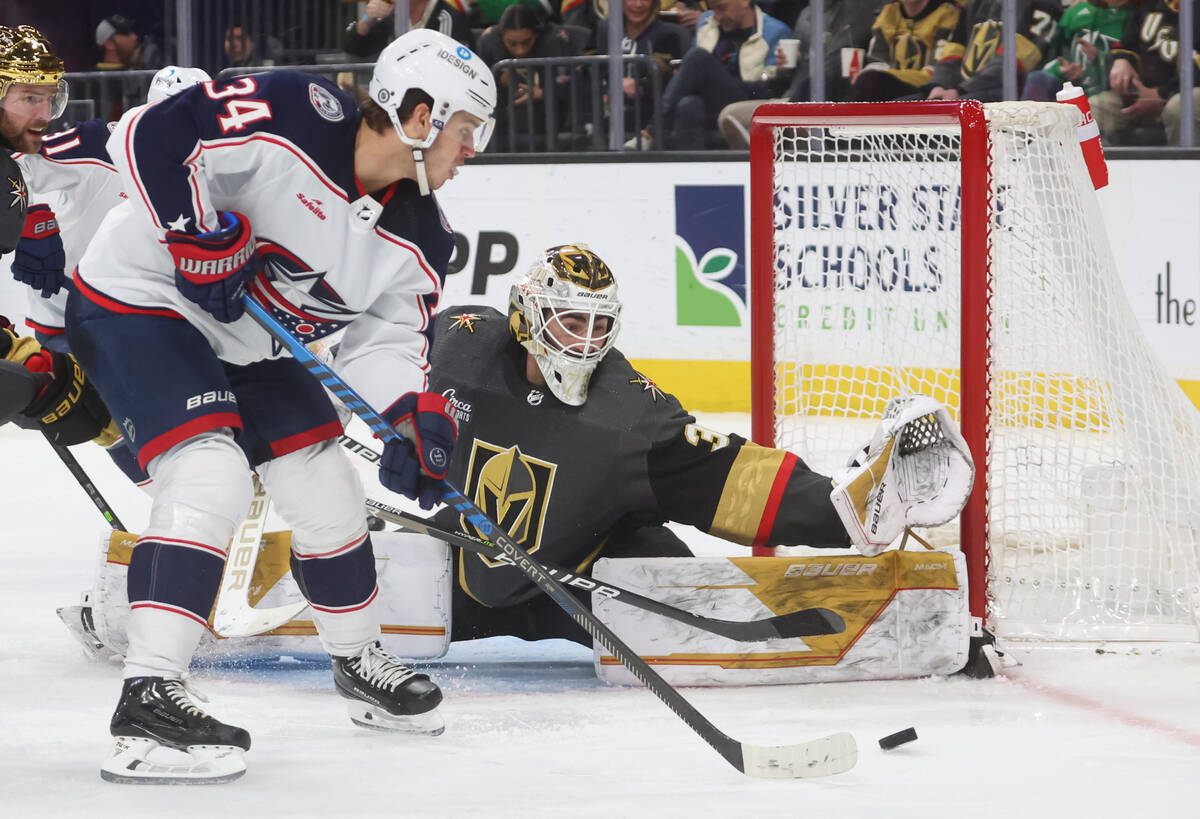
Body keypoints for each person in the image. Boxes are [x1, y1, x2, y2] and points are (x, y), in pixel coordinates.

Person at [64, 28, 496, 784]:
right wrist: (190, 232)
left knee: (328, 485)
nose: (472, 152)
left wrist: (407, 416)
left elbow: (387, 336)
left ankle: (359, 660)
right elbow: (151, 134)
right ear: (422, 116)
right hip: (140, 299)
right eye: (468, 132)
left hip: (246, 340)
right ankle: (148, 696)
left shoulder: (423, 233)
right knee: (209, 474)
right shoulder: (292, 110)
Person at [715, 0, 878, 149]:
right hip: (792, 99)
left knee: (804, 123)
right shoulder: (806, 15)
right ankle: (756, 168)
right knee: (729, 116)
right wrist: (784, 68)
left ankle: (790, 157)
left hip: (834, 103)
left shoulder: (860, 8)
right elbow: (789, 76)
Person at [640, 0, 789, 150]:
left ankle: (650, 132)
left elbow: (769, 87)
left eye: (722, 8)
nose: (716, 16)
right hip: (712, 102)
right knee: (689, 104)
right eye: (713, 9)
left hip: (749, 101)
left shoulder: (776, 32)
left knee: (699, 57)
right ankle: (690, 168)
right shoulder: (706, 24)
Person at [1089, 0, 1200, 146]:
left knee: (1180, 108)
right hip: (1145, 95)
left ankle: (1185, 168)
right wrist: (1122, 60)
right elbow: (1127, 44)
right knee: (1093, 108)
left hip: (1185, 92)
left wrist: (1162, 94)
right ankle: (1103, 169)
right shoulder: (1152, 5)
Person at [476, 5, 580, 150]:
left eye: (527, 42)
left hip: (549, 119)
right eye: (512, 43)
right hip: (502, 122)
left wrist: (544, 93)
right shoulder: (489, 42)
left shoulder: (555, 39)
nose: (520, 50)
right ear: (501, 36)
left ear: (536, 35)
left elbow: (575, 86)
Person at [925, 0, 1060, 102]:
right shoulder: (973, 4)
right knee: (911, 103)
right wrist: (938, 86)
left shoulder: (1043, 3)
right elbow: (951, 56)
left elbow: (1011, 63)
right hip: (962, 90)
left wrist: (960, 90)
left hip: (1008, 95)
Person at [596, 0, 690, 144]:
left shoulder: (671, 34)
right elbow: (590, 68)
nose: (638, 5)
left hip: (650, 113)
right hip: (607, 115)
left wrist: (640, 87)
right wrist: (607, 88)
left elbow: (671, 79)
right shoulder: (605, 28)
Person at [1020, 0, 1130, 103]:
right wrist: (1062, 69)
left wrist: (1101, 58)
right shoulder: (1075, 12)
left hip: (1110, 90)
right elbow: (1054, 57)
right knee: (1038, 79)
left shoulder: (1134, 14)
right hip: (1072, 85)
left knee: (1099, 103)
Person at [850, 0, 960, 101]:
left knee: (871, 80)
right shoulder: (889, 12)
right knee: (854, 81)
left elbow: (935, 71)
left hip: (928, 88)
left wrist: (880, 74)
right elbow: (877, 61)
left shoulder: (946, 13)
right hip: (888, 84)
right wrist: (870, 73)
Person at [342, 0, 474, 59]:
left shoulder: (448, 18)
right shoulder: (391, 16)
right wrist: (367, 21)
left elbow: (449, 71)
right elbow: (354, 49)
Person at [94, 13, 161, 71]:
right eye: (126, 33)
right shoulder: (93, 82)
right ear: (109, 44)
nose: (135, 37)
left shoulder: (136, 74)